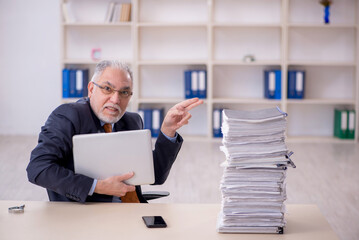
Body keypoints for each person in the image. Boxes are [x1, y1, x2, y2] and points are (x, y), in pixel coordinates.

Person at [26, 60, 203, 203]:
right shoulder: (67, 116)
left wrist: (167, 130)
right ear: (91, 89)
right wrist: (97, 186)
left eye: (124, 92)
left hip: (132, 213)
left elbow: (153, 176)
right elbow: (38, 168)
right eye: (107, 89)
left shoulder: (132, 120)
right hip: (86, 215)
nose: (116, 99)